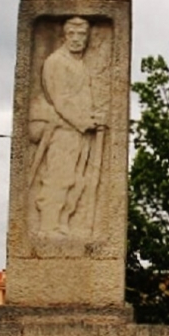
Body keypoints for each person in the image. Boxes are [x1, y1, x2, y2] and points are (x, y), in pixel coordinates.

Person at [28, 17, 105, 236]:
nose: (77, 39)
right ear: (65, 36)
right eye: (72, 34)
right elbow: (61, 100)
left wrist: (93, 115)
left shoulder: (78, 64)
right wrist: (85, 121)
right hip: (63, 129)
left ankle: (63, 222)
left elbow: (81, 97)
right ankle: (47, 226)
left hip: (78, 131)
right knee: (60, 178)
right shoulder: (56, 62)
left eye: (82, 35)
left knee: (77, 180)